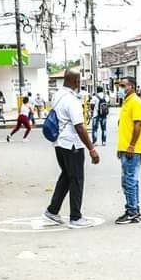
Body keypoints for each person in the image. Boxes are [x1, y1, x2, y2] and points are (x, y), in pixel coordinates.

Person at [43, 68, 101, 229]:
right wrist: (91, 149)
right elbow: (80, 127)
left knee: (67, 176)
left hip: (59, 143)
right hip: (72, 144)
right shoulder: (72, 100)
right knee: (76, 178)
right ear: (76, 82)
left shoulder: (57, 95)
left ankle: (52, 210)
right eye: (79, 80)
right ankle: (75, 217)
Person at [115, 76, 141, 224]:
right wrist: (121, 148)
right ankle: (134, 208)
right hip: (125, 147)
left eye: (123, 86)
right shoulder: (126, 102)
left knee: (129, 180)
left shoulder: (135, 102)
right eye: (120, 85)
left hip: (132, 148)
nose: (120, 89)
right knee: (129, 180)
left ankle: (132, 211)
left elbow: (138, 125)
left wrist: (131, 145)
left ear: (132, 86)